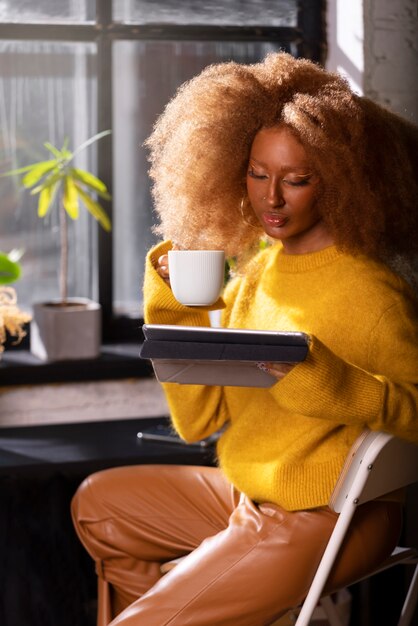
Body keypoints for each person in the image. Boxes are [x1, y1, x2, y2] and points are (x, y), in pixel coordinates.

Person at [71, 52, 418, 626]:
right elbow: (199, 419)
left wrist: (337, 385)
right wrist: (174, 311)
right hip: (248, 496)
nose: (271, 199)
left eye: (297, 180)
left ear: (340, 181)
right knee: (100, 507)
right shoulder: (260, 270)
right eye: (258, 173)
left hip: (330, 516)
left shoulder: (373, 295)